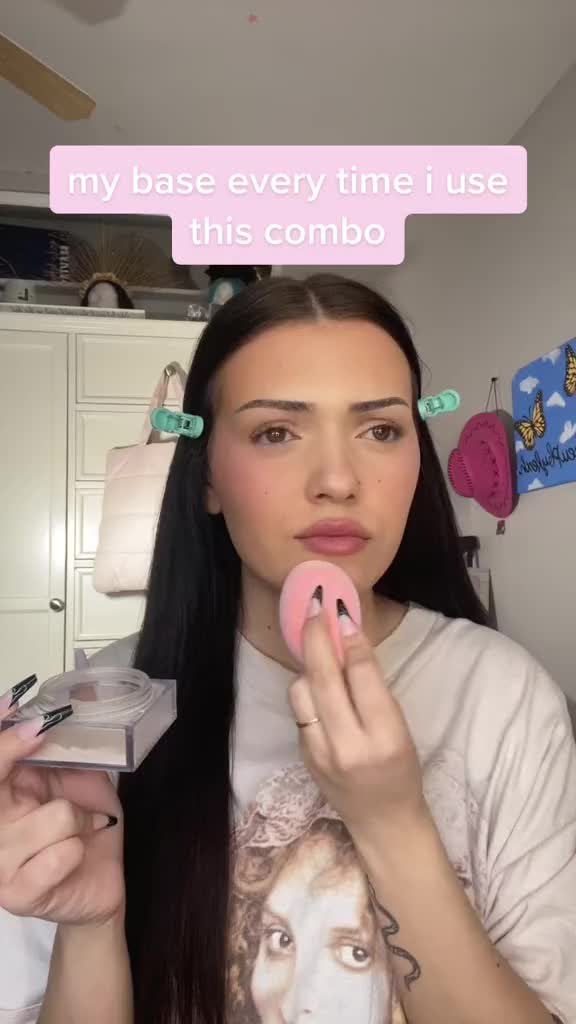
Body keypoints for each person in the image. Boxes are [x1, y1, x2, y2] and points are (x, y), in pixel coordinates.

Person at [0, 274, 574, 1024]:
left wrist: (392, 822)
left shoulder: (504, 695)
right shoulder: (103, 713)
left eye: (380, 430)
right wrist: (90, 925)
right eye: (276, 432)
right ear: (207, 477)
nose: (338, 480)